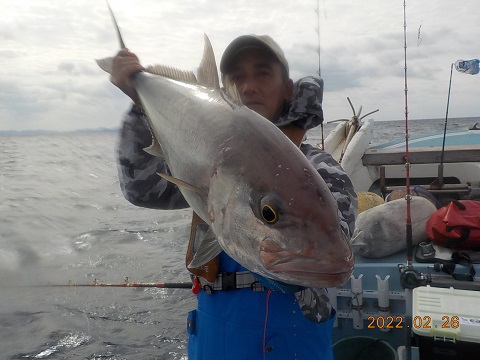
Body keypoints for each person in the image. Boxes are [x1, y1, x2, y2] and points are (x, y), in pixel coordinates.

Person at [111, 34, 357, 360]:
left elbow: (326, 256)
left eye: (263, 73)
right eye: (237, 76)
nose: (249, 85)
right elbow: (139, 190)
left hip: (294, 348)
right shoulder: (212, 164)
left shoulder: (323, 170)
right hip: (214, 345)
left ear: (287, 88)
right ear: (224, 86)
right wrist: (139, 101)